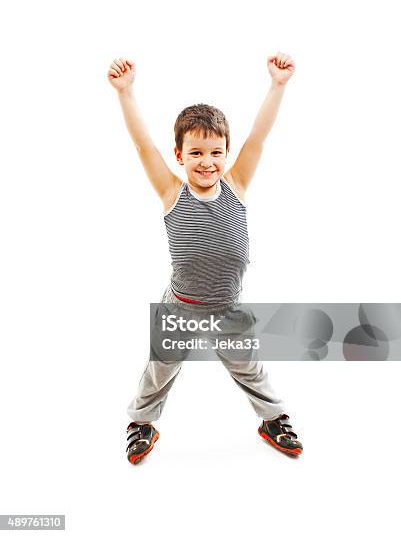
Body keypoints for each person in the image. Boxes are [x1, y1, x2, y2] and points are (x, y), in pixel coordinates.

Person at [107, 52, 303, 463]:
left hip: (227, 308)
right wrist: (126, 93)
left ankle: (272, 419)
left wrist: (277, 86)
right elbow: (143, 145)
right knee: (160, 369)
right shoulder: (170, 192)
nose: (206, 161)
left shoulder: (237, 184)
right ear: (179, 156)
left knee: (249, 369)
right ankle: (140, 423)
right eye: (196, 153)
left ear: (227, 153)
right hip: (181, 305)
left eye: (215, 152)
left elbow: (259, 138)